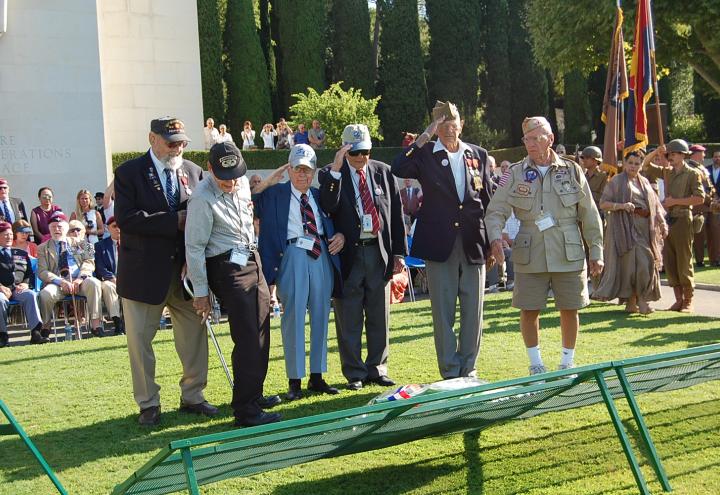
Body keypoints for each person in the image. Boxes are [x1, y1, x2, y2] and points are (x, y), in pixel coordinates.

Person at [114, 117, 218, 426]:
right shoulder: (129, 173)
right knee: (140, 342)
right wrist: (174, 222)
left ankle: (194, 395)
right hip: (144, 274)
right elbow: (128, 219)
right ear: (152, 139)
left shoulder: (194, 172)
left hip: (185, 272)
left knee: (194, 337)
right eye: (172, 142)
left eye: (182, 142)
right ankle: (148, 402)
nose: (178, 148)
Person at [485, 116, 604, 375]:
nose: (530, 143)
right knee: (529, 309)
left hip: (567, 247)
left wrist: (596, 251)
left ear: (550, 139)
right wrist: (495, 237)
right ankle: (535, 364)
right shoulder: (514, 173)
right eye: (527, 138)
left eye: (536, 138)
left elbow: (589, 213)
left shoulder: (572, 170)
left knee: (570, 308)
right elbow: (495, 211)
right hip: (530, 250)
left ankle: (567, 362)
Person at [392, 101, 494, 379]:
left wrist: (495, 240)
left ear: (462, 124)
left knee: (473, 310)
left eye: (454, 122)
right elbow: (398, 167)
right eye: (442, 123)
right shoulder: (426, 153)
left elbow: (489, 199)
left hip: (473, 241)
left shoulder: (478, 154)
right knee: (443, 311)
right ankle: (450, 370)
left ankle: (468, 367)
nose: (450, 128)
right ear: (435, 127)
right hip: (439, 243)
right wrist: (423, 138)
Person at [185, 141, 281, 427]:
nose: (230, 183)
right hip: (227, 267)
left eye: (235, 176)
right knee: (248, 336)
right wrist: (201, 293)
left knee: (262, 330)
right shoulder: (201, 198)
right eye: (223, 178)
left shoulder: (239, 181)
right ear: (210, 169)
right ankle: (245, 410)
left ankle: (254, 393)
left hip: (251, 257)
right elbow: (194, 247)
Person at [253, 144, 345, 400]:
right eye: (297, 169)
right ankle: (295, 380)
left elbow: (337, 220)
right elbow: (250, 200)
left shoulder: (318, 195)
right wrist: (271, 179)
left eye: (307, 170)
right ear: (289, 170)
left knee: (320, 315)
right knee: (292, 317)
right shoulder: (275, 195)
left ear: (314, 171)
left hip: (321, 255)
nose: (302, 175)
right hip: (292, 255)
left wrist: (340, 235)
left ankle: (317, 376)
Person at [319, 124, 407, 390]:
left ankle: (377, 368)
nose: (361, 157)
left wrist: (399, 253)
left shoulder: (383, 172)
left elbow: (395, 215)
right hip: (349, 256)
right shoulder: (330, 174)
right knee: (349, 317)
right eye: (355, 152)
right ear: (345, 149)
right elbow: (326, 206)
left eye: (365, 151)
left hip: (378, 252)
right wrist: (336, 170)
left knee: (380, 315)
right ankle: (355, 372)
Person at [593, 150, 667, 314]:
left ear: (641, 165)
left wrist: (662, 223)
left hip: (645, 229)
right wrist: (622, 206)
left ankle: (633, 303)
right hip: (624, 230)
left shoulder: (646, 182)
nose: (633, 166)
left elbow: (656, 206)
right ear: (624, 164)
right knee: (636, 265)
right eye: (630, 163)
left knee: (645, 263)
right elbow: (603, 203)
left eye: (637, 163)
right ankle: (640, 302)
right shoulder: (616, 182)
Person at [641, 139, 704, 312]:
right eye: (670, 154)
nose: (671, 156)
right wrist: (656, 152)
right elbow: (645, 165)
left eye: (674, 154)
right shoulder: (667, 172)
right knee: (670, 261)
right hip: (668, 221)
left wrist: (675, 201)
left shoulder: (692, 173)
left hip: (683, 219)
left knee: (684, 261)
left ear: (683, 155)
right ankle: (678, 299)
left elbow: (699, 198)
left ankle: (688, 300)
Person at [37, 213, 105, 338]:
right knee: (45, 294)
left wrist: (80, 278)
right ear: (49, 229)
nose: (56, 229)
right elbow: (42, 271)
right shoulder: (42, 248)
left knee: (94, 283)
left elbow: (89, 262)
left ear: (66, 228)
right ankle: (45, 327)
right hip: (58, 283)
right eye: (53, 227)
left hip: (80, 280)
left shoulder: (82, 243)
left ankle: (96, 325)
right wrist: (60, 281)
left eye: (60, 227)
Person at [0, 221, 45, 347]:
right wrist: (1, 287)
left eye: (10, 234)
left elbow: (30, 273)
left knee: (30, 295)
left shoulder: (21, 253)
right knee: (0, 300)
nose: (9, 237)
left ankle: (36, 332)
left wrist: (26, 284)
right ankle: (2, 335)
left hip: (18, 288)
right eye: (5, 234)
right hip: (2, 290)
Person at [94, 216, 124, 335]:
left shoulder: (132, 243)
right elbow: (100, 267)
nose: (118, 229)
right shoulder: (100, 246)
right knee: (108, 287)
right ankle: (118, 323)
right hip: (109, 279)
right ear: (107, 228)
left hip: (129, 279)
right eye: (115, 226)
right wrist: (113, 279)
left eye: (121, 226)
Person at [580, 146, 608, 212]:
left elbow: (604, 197)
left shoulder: (603, 176)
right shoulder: (582, 176)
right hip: (584, 212)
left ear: (595, 160)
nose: (584, 160)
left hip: (597, 212)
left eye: (587, 158)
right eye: (583, 158)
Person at [706, 150, 720, 267]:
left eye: (719, 157)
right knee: (711, 232)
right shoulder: (706, 170)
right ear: (712, 158)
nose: (717, 159)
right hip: (710, 205)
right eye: (715, 157)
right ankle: (713, 258)